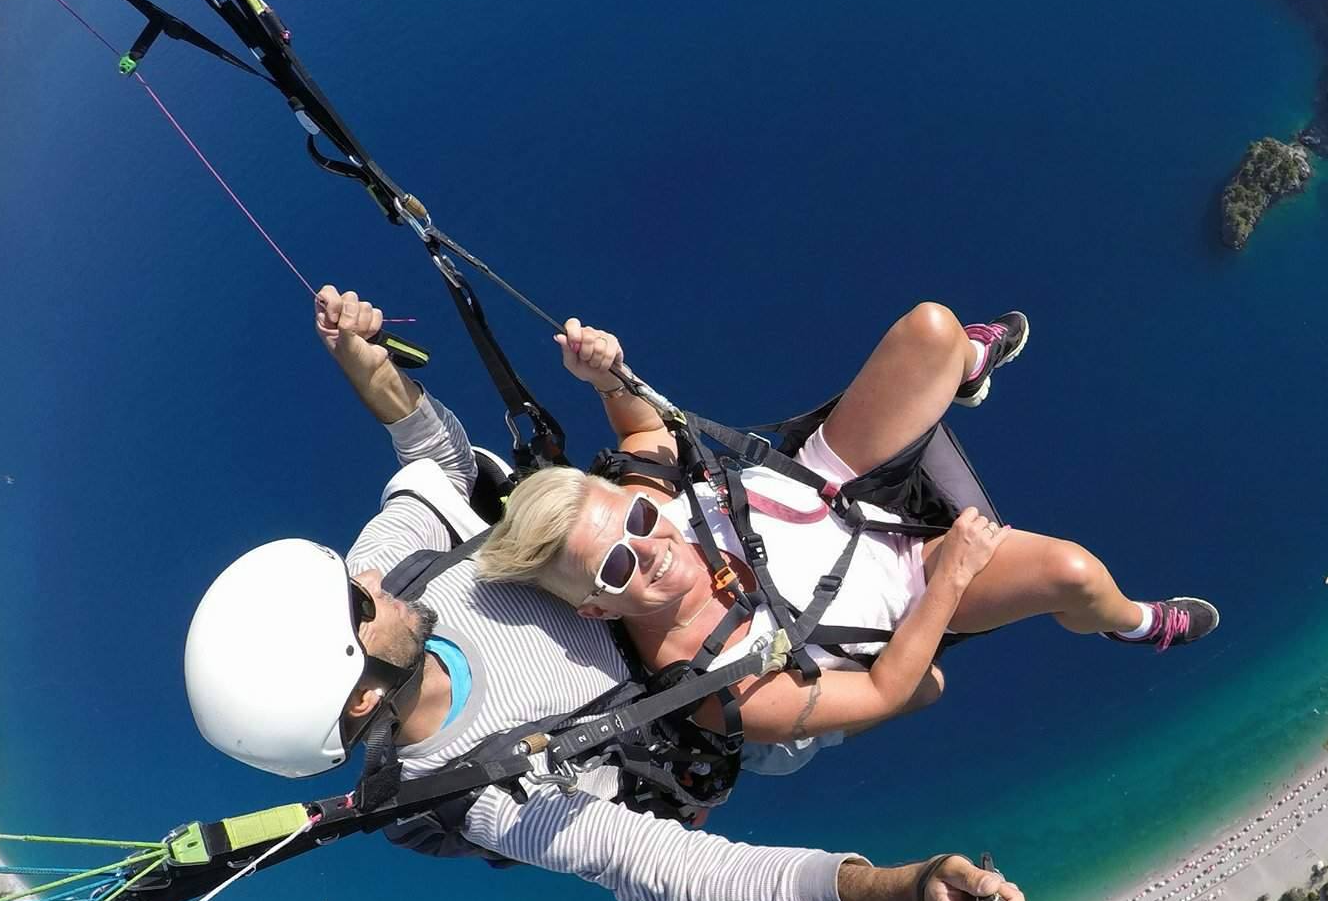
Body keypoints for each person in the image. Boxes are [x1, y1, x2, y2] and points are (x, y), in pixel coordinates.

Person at [180, 284, 1026, 901]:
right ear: (361, 700)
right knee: (921, 685)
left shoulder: (393, 569)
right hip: (722, 694)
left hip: (659, 563)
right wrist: (905, 889)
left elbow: (432, 456)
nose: (362, 575)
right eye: (355, 606)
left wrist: (361, 362)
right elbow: (693, 881)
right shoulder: (498, 794)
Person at [472, 303, 1220, 768]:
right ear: (600, 609)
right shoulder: (712, 680)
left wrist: (605, 375)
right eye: (617, 570)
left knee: (931, 329)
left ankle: (965, 364)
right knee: (1076, 574)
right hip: (905, 586)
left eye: (636, 519)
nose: (653, 546)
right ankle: (1132, 626)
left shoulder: (635, 512)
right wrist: (954, 574)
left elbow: (643, 432)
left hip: (831, 486)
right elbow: (889, 688)